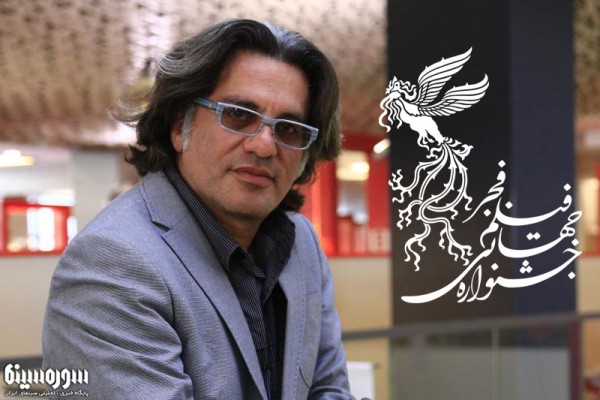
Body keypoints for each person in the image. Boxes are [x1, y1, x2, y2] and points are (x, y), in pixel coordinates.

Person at [42, 19, 354, 400]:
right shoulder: (111, 263)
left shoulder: (302, 243)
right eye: (238, 115)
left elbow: (327, 388)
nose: (264, 146)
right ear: (179, 127)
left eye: (288, 128)